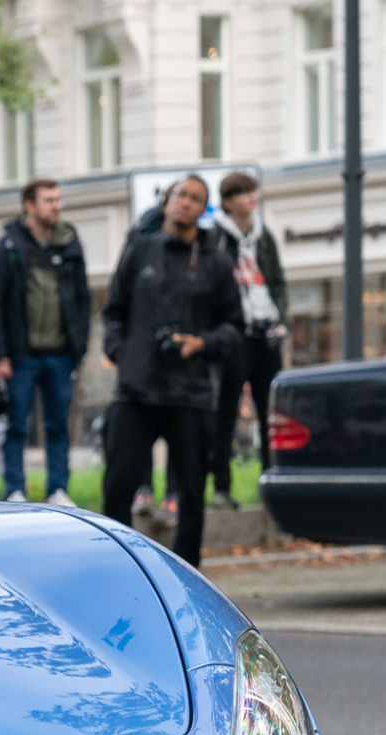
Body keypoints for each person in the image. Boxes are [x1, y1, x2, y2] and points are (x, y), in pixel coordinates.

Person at [100, 174, 244, 565]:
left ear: (204, 210)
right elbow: (113, 311)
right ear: (167, 201)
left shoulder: (216, 261)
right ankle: (116, 568)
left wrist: (201, 343)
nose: (187, 203)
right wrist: (119, 351)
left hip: (190, 392)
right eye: (181, 195)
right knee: (117, 489)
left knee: (192, 495)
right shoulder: (139, 249)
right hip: (136, 389)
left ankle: (188, 575)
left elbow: (234, 327)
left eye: (197, 199)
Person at [0, 177, 90, 506]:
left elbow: (83, 298)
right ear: (29, 206)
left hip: (61, 355)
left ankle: (58, 489)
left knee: (58, 425)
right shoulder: (8, 248)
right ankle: (14, 490)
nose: (56, 206)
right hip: (20, 356)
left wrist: (79, 347)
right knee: (15, 425)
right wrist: (0, 354)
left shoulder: (70, 244)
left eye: (59, 200)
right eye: (49, 200)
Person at [209, 171, 288, 508]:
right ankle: (222, 489)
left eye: (253, 192)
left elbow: (278, 282)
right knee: (225, 413)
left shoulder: (263, 236)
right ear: (227, 202)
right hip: (233, 335)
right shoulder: (214, 238)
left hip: (266, 334)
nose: (251, 198)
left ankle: (273, 484)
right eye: (242, 193)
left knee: (269, 412)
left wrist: (280, 318)